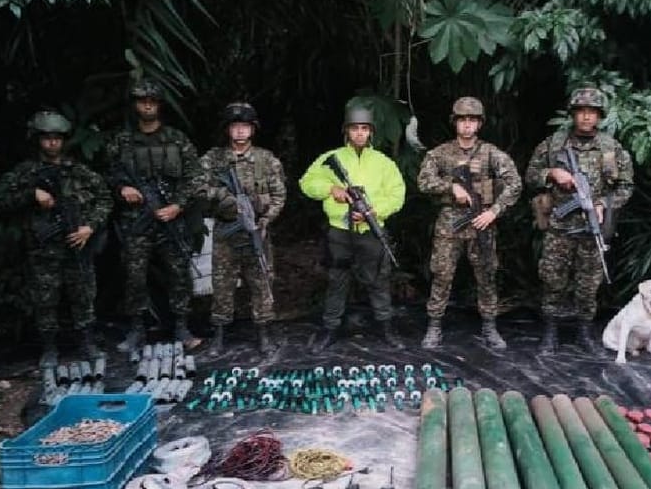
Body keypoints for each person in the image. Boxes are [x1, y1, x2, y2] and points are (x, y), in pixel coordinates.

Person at [0, 111, 111, 367]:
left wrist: (89, 227)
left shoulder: (78, 172)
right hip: (43, 250)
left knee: (83, 296)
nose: (52, 143)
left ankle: (87, 343)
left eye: (57, 138)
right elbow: (1, 201)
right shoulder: (25, 173)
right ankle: (49, 348)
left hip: (77, 244)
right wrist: (31, 194)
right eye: (46, 138)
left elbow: (105, 198)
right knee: (45, 301)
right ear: (38, 140)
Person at [525, 87, 634, 353]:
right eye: (581, 112)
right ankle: (550, 332)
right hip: (559, 226)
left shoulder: (612, 149)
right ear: (573, 114)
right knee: (553, 280)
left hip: (592, 227)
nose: (586, 118)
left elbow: (626, 186)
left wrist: (603, 204)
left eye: (592, 113)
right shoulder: (554, 144)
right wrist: (552, 173)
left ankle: (585, 333)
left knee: (589, 283)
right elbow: (530, 176)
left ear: (599, 116)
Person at [105, 79, 204, 352]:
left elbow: (195, 176)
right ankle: (137, 329)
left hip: (170, 219)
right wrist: (123, 188)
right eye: (141, 100)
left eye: (152, 100)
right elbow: (108, 175)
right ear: (135, 105)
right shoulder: (121, 141)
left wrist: (178, 205)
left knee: (179, 274)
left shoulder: (176, 139)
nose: (147, 105)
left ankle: (182, 327)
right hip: (136, 222)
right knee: (134, 275)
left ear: (160, 105)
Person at [416, 97, 522, 349]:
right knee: (442, 274)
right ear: (455, 122)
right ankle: (434, 326)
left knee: (486, 274)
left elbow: (514, 183)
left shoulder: (491, 153)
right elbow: (423, 181)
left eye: (472, 120)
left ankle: (489, 326)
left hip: (482, 221)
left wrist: (494, 211)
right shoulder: (440, 153)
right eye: (462, 120)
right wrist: (451, 187)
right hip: (450, 223)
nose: (467, 125)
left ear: (479, 124)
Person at [299, 105, 406, 352]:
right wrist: (331, 190)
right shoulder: (332, 157)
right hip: (339, 232)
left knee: (379, 281)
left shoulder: (383, 163)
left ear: (371, 132)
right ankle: (330, 329)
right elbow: (307, 182)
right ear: (347, 131)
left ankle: (386, 328)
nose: (359, 133)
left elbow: (397, 195)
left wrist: (373, 211)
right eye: (355, 128)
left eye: (364, 128)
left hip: (370, 232)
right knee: (337, 280)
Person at [197, 102, 286, 352]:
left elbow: (279, 196)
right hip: (226, 234)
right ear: (228, 130)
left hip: (257, 229)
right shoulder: (213, 159)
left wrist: (266, 221)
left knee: (261, 281)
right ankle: (220, 333)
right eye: (235, 126)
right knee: (222, 285)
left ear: (252, 130)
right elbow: (196, 187)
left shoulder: (266, 160)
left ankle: (264, 333)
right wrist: (222, 198)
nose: (239, 131)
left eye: (244, 126)